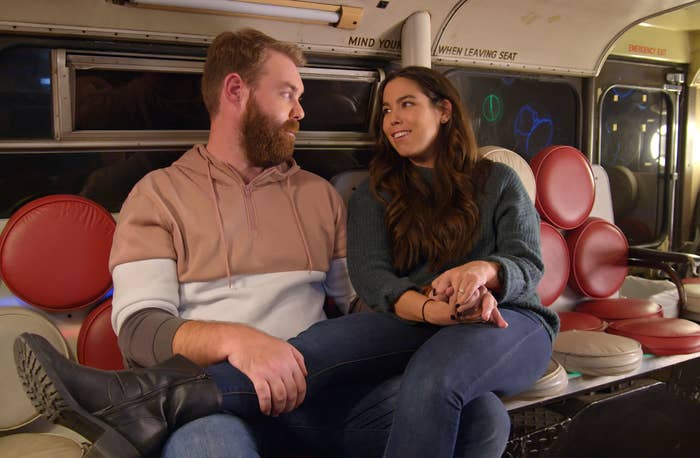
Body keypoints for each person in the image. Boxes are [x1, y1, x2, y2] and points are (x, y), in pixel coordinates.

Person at [11, 30, 508, 458]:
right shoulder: (158, 196)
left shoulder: (319, 196)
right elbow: (141, 329)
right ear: (236, 91)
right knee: (208, 447)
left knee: (478, 410)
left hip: (318, 395)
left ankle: (134, 403)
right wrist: (237, 341)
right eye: (287, 94)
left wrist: (435, 304)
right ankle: (158, 402)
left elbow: (358, 305)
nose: (300, 111)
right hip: (214, 409)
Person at [345, 66, 560, 457]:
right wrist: (434, 307)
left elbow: (527, 262)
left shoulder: (499, 182)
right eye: (387, 110)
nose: (392, 119)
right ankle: (216, 393)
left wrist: (483, 271)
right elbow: (371, 279)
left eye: (406, 104)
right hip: (421, 321)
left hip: (511, 321)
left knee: (434, 378)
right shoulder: (373, 196)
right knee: (316, 346)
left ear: (444, 110)